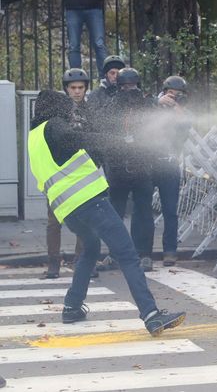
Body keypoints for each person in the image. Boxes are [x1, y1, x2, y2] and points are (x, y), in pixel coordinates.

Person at [27, 89, 185, 335]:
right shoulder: (54, 126)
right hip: (90, 202)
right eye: (66, 108)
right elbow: (75, 138)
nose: (70, 113)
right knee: (128, 255)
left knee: (90, 249)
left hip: (67, 210)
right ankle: (151, 315)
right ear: (56, 108)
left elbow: (68, 153)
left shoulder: (34, 136)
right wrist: (116, 141)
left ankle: (72, 307)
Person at [103, 67, 156, 272]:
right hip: (118, 166)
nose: (129, 90)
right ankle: (115, 253)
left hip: (142, 165)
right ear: (118, 87)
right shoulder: (112, 105)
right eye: (125, 86)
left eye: (133, 86)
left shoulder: (147, 105)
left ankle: (144, 254)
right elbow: (105, 130)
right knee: (115, 212)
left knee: (143, 211)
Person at [44, 68, 93, 279]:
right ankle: (53, 263)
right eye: (73, 88)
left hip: (83, 173)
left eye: (80, 88)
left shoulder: (91, 111)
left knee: (85, 220)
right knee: (54, 221)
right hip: (58, 172)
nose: (77, 92)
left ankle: (81, 261)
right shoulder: (55, 111)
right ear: (66, 89)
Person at [153, 76, 192, 266]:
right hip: (150, 162)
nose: (174, 98)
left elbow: (184, 133)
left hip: (170, 163)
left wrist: (178, 112)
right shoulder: (153, 103)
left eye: (179, 95)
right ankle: (142, 250)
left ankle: (170, 251)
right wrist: (158, 104)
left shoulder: (183, 112)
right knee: (142, 209)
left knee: (170, 210)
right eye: (171, 94)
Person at [64, 0, 108, 78]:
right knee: (73, 45)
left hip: (94, 6)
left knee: (99, 44)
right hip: (73, 6)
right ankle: (75, 78)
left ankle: (105, 79)